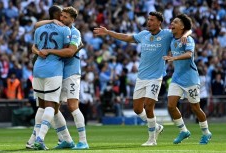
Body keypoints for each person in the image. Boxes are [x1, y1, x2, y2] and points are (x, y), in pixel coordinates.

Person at [94, 11, 191, 146]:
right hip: (141, 77)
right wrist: (108, 32)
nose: (149, 22)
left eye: (152, 20)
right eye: (148, 19)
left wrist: (186, 34)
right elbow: (127, 37)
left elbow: (186, 30)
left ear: (159, 23)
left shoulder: (167, 34)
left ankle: (152, 139)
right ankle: (156, 126)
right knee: (137, 109)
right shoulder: (143, 35)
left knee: (149, 105)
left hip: (156, 77)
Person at [30, 6, 89, 150]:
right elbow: (36, 40)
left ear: (72, 19)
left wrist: (48, 50)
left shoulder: (74, 32)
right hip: (57, 72)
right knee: (54, 108)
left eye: (65, 17)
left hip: (71, 72)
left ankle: (83, 141)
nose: (62, 19)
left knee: (72, 106)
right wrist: (38, 51)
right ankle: (66, 139)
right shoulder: (58, 28)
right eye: (61, 16)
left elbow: (70, 51)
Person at [163, 14, 212, 145]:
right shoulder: (172, 39)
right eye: (172, 22)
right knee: (171, 106)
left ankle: (206, 133)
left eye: (175, 22)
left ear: (182, 26)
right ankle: (183, 131)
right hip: (177, 78)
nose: (172, 23)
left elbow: (189, 54)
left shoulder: (188, 40)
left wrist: (174, 58)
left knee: (195, 108)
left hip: (191, 79)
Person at [32, 5, 72, 150]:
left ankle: (33, 140)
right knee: (51, 106)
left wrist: (41, 51)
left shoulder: (39, 29)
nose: (63, 16)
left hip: (37, 69)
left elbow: (34, 47)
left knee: (41, 106)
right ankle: (39, 139)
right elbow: (68, 50)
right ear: (57, 14)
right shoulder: (65, 29)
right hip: (53, 70)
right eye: (61, 14)